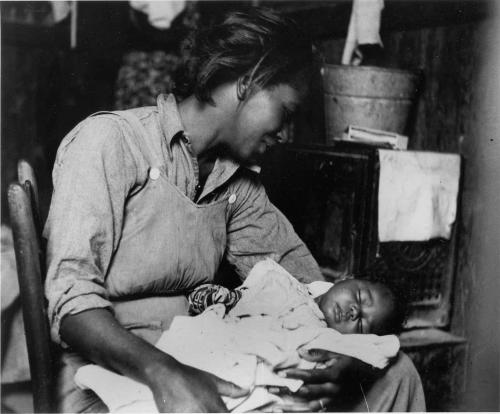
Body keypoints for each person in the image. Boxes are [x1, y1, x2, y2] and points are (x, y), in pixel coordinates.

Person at [44, 7, 425, 413]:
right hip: (112, 374)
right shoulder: (111, 141)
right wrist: (167, 374)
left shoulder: (236, 184)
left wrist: (349, 353)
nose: (285, 133)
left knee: (396, 371)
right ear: (249, 82)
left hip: (203, 356)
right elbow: (71, 304)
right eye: (286, 112)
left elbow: (306, 285)